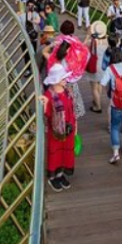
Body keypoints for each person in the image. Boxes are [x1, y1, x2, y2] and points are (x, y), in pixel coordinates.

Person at [41, 63, 76, 192]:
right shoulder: (49, 95)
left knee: (65, 151)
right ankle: (52, 176)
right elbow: (46, 113)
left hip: (68, 129)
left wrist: (75, 125)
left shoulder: (68, 91)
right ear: (56, 80)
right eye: (63, 79)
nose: (65, 80)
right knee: (55, 152)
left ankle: (60, 174)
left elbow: (72, 110)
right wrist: (44, 103)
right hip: (56, 131)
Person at [85, 21, 108, 113]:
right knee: (99, 84)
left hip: (94, 66)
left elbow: (82, 46)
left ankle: (97, 106)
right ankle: (98, 100)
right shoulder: (107, 41)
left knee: (94, 86)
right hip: (103, 66)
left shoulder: (92, 42)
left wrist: (88, 35)